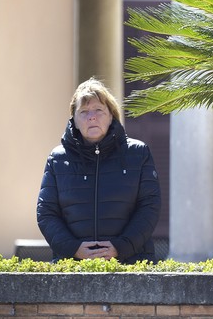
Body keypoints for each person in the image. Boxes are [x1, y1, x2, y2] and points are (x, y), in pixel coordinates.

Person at [37, 77, 161, 263]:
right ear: (75, 121)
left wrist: (121, 247)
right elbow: (46, 212)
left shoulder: (138, 153)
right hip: (73, 266)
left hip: (131, 263)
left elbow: (149, 207)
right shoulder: (57, 159)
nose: (91, 116)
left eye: (99, 110)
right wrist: (73, 249)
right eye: (84, 111)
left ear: (111, 115)